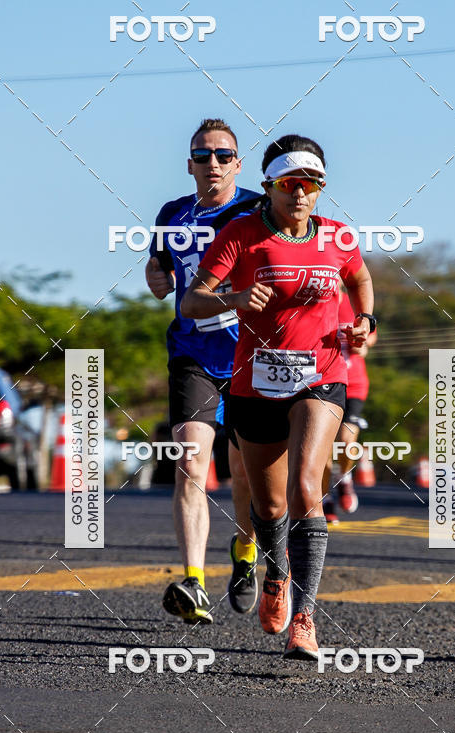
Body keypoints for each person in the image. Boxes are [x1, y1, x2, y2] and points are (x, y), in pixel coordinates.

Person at [181, 134, 376, 660]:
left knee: (306, 486)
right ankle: (276, 573)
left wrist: (365, 321)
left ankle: (305, 620)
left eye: (311, 185)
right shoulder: (241, 234)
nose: (301, 194)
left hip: (321, 377)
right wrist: (236, 297)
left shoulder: (337, 237)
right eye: (290, 184)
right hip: (255, 384)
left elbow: (360, 280)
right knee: (268, 506)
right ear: (269, 186)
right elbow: (192, 302)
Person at [146, 118, 261, 624]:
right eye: (202, 155)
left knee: (245, 472)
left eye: (222, 155)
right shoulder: (171, 214)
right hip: (192, 353)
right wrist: (156, 276)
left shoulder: (258, 210)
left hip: (251, 355)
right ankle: (193, 581)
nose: (212, 163)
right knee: (191, 463)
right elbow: (159, 271)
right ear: (189, 164)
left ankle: (245, 549)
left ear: (238, 163)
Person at [322, 291, 377, 524]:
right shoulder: (310, 299)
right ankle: (324, 499)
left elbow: (370, 338)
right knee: (321, 446)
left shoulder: (353, 303)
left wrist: (361, 344)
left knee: (346, 440)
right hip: (321, 381)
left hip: (353, 384)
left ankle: (344, 477)